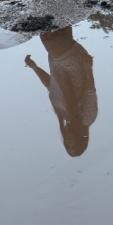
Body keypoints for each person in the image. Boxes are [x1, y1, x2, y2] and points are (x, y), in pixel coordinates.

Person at [25, 26, 97, 156]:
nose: (69, 141)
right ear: (80, 139)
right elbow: (90, 90)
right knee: (48, 29)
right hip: (72, 62)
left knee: (57, 19)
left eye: (67, 144)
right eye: (74, 143)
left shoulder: (61, 113)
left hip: (56, 60)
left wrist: (34, 67)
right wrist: (88, 68)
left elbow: (50, 84)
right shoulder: (87, 118)